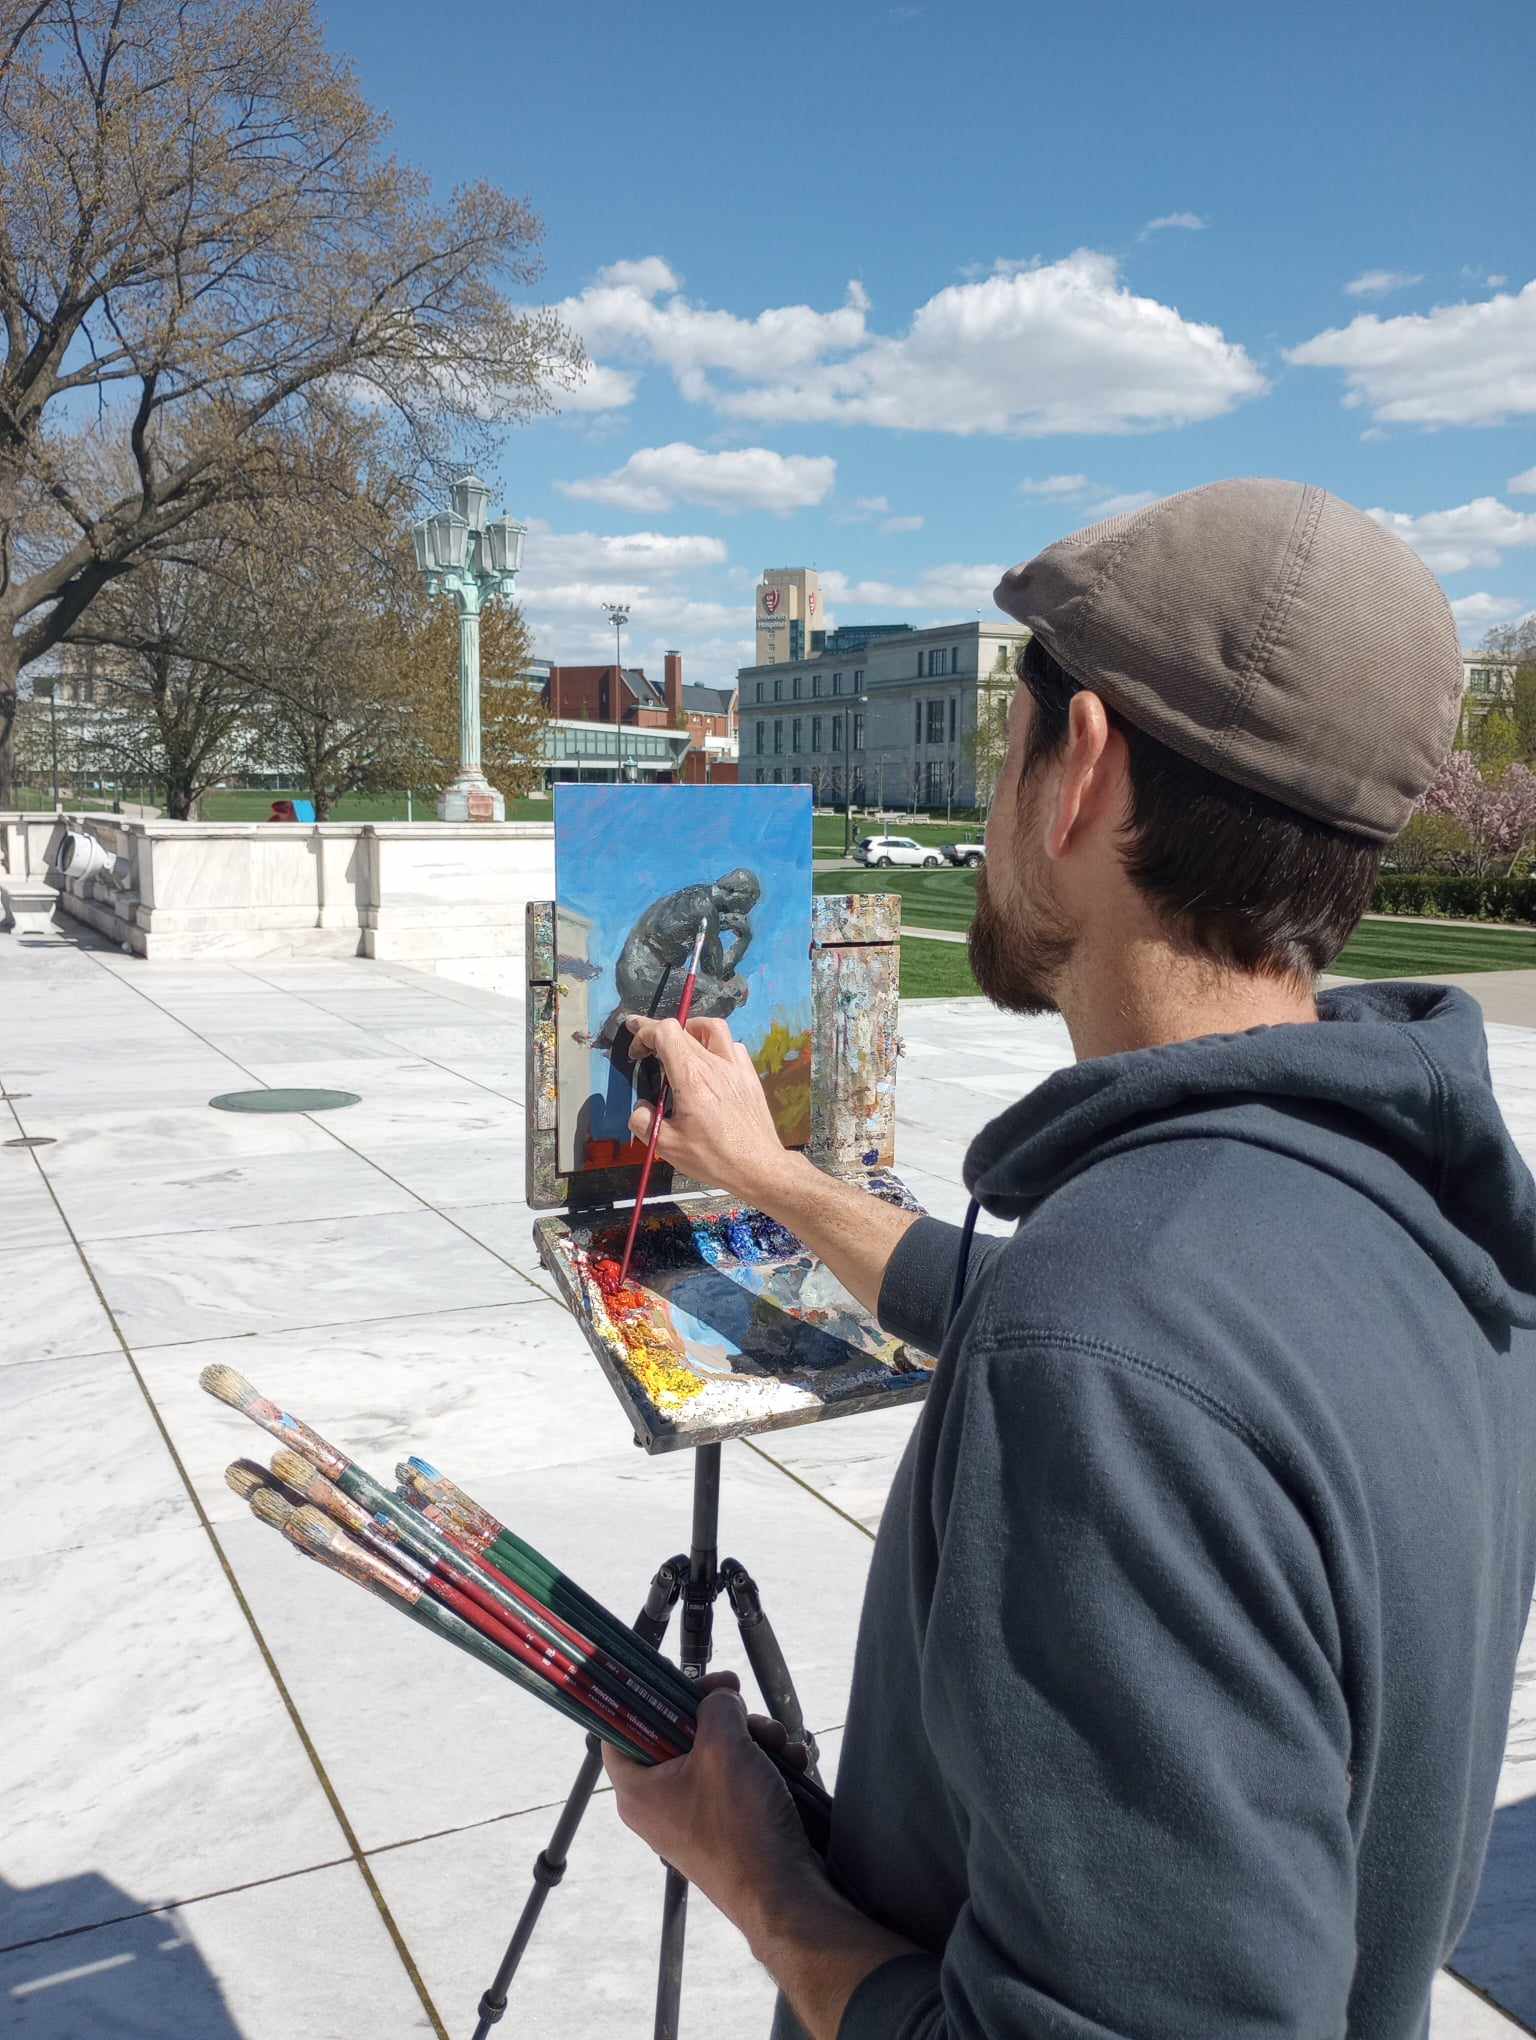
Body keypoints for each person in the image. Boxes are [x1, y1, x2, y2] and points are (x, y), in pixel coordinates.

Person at [602, 479, 1536, 2039]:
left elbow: (1109, 1369)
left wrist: (764, 1882)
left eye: (1004, 751)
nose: (989, 809)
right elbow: (1121, 1349)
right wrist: (769, 1177)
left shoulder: (1115, 1351)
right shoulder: (1417, 1218)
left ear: (1078, 770)